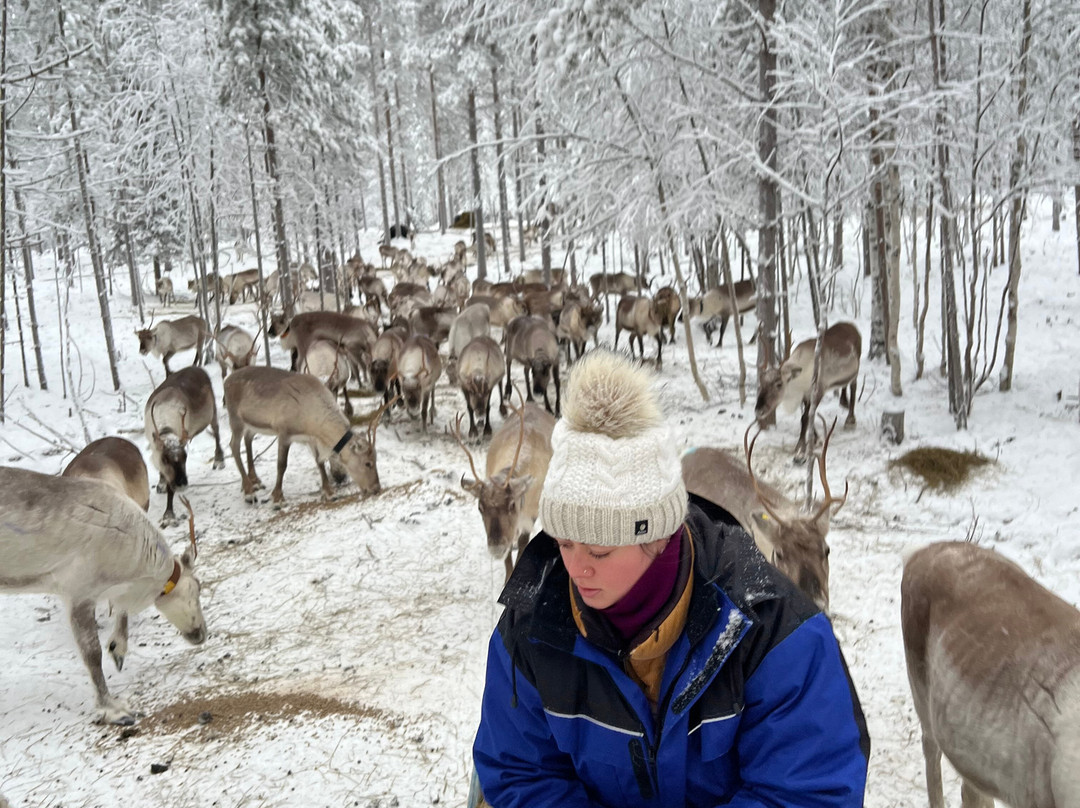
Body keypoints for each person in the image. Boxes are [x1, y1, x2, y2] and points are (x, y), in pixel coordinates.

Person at [472, 349, 869, 808]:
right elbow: (519, 772)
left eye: (600, 550)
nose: (576, 568)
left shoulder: (774, 633)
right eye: (563, 542)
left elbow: (809, 792)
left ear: (658, 537)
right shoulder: (531, 627)